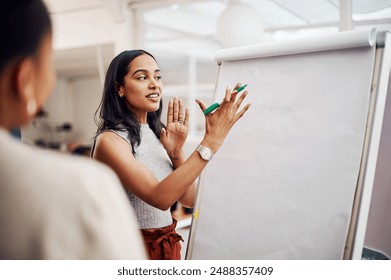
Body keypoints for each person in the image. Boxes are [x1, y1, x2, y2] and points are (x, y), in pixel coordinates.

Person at [0, 0, 146, 259]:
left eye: (158, 76)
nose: (154, 85)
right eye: (49, 61)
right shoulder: (84, 186)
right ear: (24, 79)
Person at [92, 49, 251, 260]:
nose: (154, 84)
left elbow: (189, 198)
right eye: (142, 77)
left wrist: (176, 153)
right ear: (120, 88)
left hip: (166, 246)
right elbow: (161, 198)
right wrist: (210, 142)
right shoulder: (110, 140)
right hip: (133, 251)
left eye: (157, 77)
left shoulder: (156, 134)